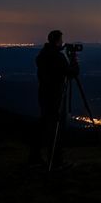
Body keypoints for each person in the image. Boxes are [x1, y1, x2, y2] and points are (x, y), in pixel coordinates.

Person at [28, 29, 80, 169]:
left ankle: (35, 156)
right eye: (61, 40)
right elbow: (72, 73)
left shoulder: (42, 55)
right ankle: (56, 161)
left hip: (44, 95)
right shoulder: (57, 57)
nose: (62, 42)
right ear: (57, 41)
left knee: (44, 124)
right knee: (57, 128)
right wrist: (74, 59)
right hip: (56, 96)